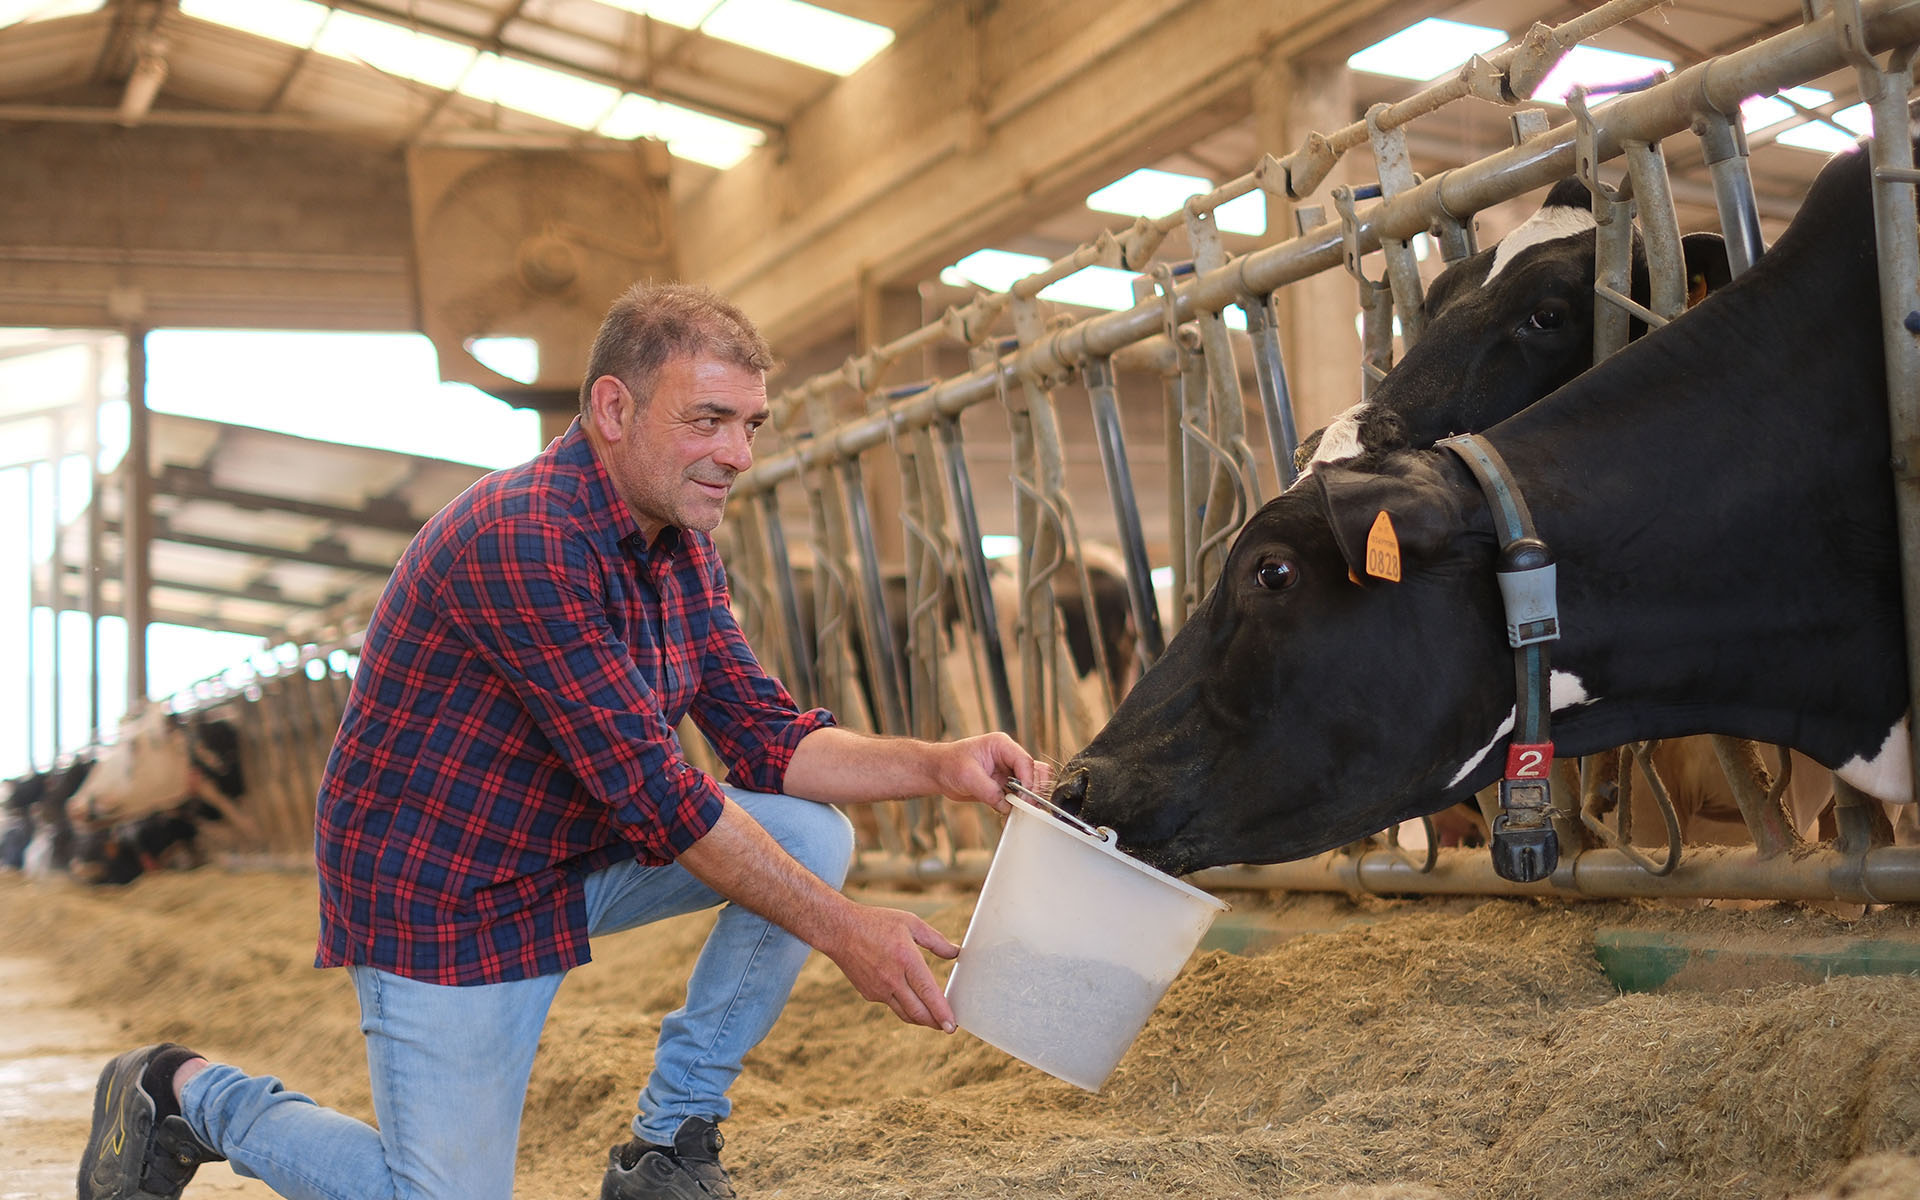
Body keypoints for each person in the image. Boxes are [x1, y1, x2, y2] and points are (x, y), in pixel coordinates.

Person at [78, 282, 1044, 1200]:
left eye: (751, 423)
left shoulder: (680, 543)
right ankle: (181, 1095)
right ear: (614, 409)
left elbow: (766, 740)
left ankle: (670, 1145)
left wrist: (938, 766)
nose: (739, 452)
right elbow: (664, 800)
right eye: (706, 419)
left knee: (812, 832)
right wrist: (845, 934)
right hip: (445, 900)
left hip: (566, 858)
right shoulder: (523, 535)